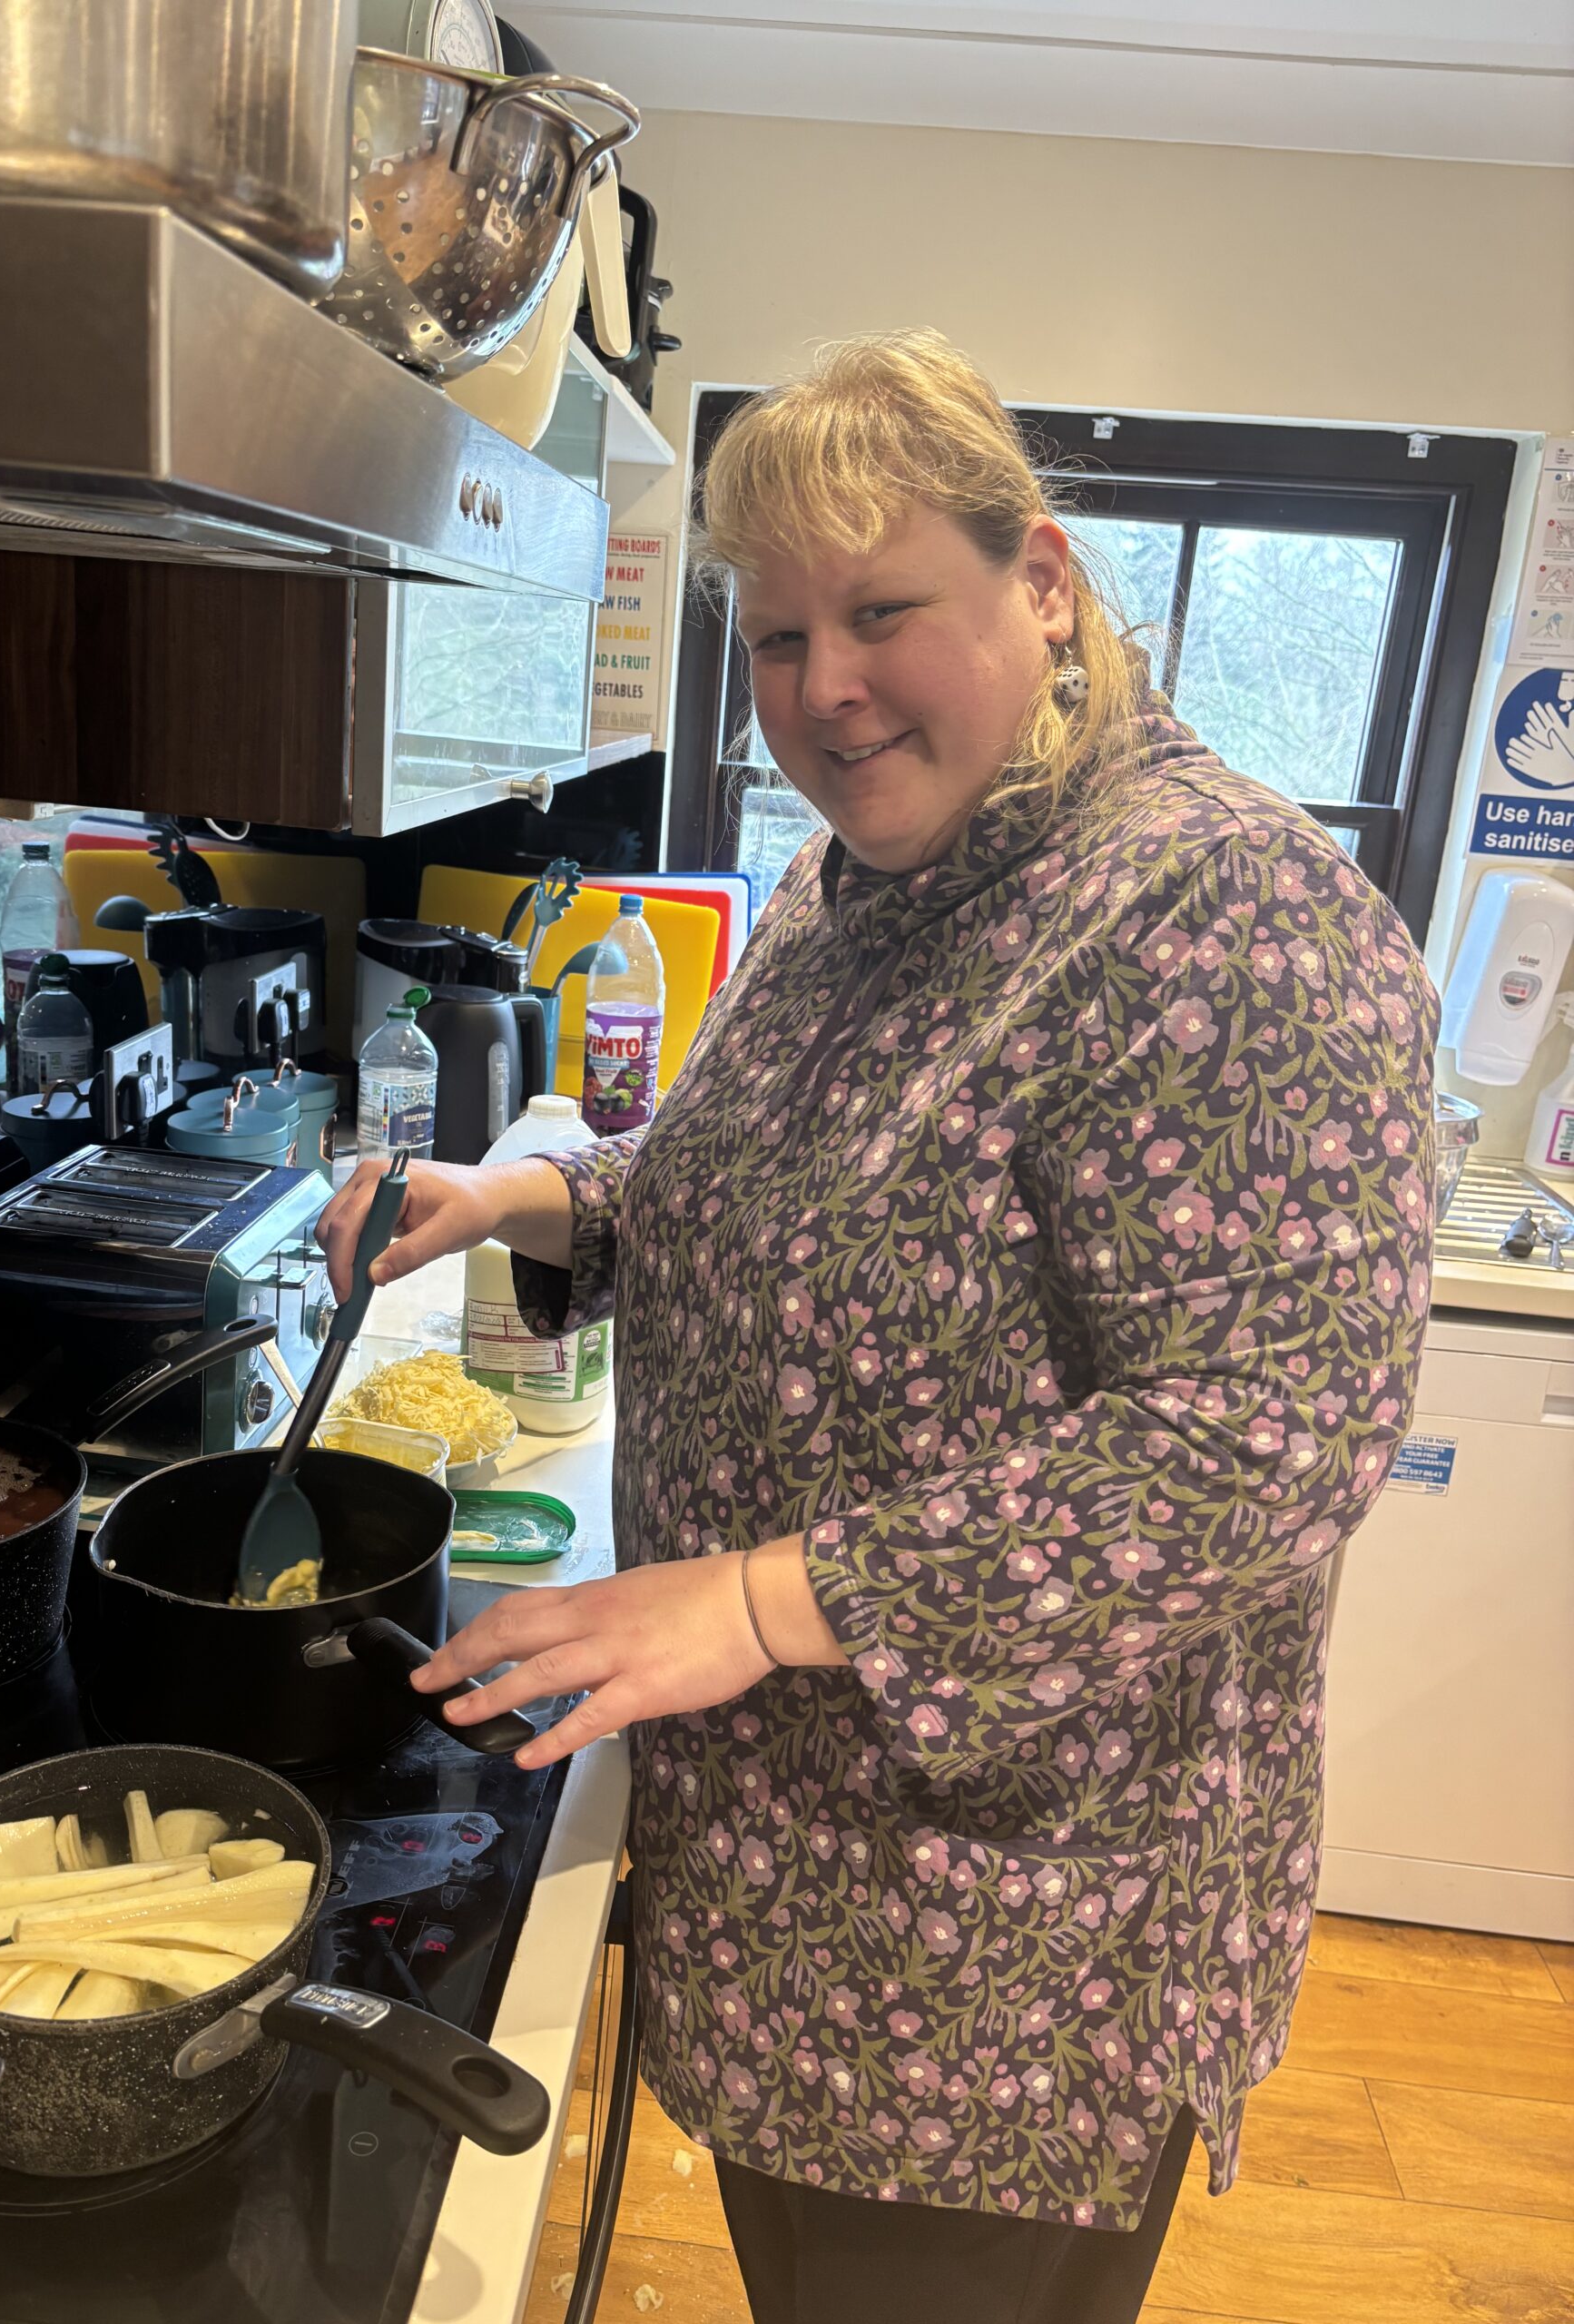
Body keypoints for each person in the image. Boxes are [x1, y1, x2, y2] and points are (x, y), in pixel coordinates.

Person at [318, 330, 1438, 2324]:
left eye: (883, 610)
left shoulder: (1219, 911)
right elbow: (762, 1196)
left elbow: (1266, 1439)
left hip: (1003, 1962)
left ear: (1045, 584)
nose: (823, 687)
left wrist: (750, 1601)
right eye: (775, 637)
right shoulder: (852, 890)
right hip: (803, 1890)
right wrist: (524, 1199)